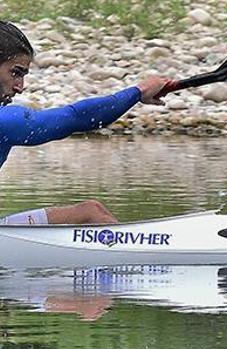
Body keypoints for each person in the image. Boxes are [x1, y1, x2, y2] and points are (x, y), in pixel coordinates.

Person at [0, 20, 170, 225]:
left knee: (91, 212)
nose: (20, 87)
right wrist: (138, 92)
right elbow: (76, 117)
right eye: (15, 72)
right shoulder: (5, 122)